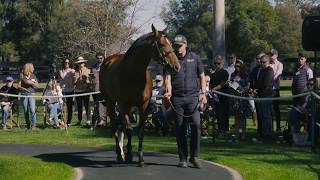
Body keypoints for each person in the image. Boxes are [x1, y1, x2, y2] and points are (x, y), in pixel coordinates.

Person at [164, 34, 207, 168]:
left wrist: (203, 93)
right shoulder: (171, 59)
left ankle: (194, 157)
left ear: (186, 44)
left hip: (193, 97)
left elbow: (202, 76)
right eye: (175, 46)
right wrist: (168, 91)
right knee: (180, 128)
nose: (178, 48)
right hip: (177, 98)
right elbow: (167, 77)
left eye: (180, 46)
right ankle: (183, 158)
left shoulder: (195, 58)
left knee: (195, 126)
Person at [253, 54, 274, 139]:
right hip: (260, 95)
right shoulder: (261, 70)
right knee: (262, 115)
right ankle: (263, 133)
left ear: (268, 62)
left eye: (263, 62)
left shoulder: (269, 70)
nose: (261, 64)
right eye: (260, 62)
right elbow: (257, 82)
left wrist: (257, 90)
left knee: (266, 115)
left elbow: (266, 84)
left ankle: (268, 134)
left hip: (266, 95)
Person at [229, 60, 250, 139]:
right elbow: (231, 83)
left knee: (243, 116)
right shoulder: (233, 74)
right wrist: (230, 84)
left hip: (243, 97)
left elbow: (247, 85)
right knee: (236, 116)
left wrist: (241, 90)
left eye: (238, 66)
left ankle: (243, 133)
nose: (237, 68)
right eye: (236, 66)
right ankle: (237, 133)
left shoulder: (245, 75)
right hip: (235, 98)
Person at [210, 55, 230, 137]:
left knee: (223, 114)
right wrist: (211, 90)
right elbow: (211, 84)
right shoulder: (213, 74)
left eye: (218, 63)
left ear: (222, 63)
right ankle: (220, 130)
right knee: (218, 114)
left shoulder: (224, 72)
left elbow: (222, 84)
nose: (216, 65)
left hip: (223, 97)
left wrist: (213, 89)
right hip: (215, 97)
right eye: (215, 63)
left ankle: (224, 130)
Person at [18, 63, 38, 129]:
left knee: (32, 110)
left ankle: (34, 124)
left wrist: (31, 82)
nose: (33, 69)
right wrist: (24, 89)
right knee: (25, 110)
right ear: (29, 68)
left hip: (32, 94)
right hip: (24, 94)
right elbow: (18, 86)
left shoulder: (33, 76)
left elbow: (37, 85)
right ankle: (28, 124)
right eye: (32, 67)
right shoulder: (22, 76)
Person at [73, 56, 92, 126]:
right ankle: (79, 120)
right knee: (79, 106)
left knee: (87, 106)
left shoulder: (88, 70)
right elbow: (74, 82)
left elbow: (90, 81)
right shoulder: (75, 72)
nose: (80, 64)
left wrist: (87, 82)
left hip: (86, 91)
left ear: (84, 63)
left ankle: (88, 120)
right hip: (78, 91)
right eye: (79, 63)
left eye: (82, 63)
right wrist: (77, 80)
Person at [268, 49, 283, 132]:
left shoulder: (279, 64)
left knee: (276, 109)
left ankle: (278, 127)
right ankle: (270, 127)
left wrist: (269, 79)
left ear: (276, 55)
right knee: (269, 109)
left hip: (275, 90)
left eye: (272, 54)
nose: (271, 56)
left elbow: (277, 75)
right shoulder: (268, 64)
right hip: (268, 90)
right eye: (270, 54)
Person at [91, 52, 107, 128]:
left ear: (103, 58)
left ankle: (103, 121)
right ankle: (97, 122)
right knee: (96, 106)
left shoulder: (106, 66)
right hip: (95, 90)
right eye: (98, 58)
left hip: (104, 89)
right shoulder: (93, 68)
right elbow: (91, 78)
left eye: (101, 58)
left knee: (104, 105)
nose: (99, 59)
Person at [59, 59, 75, 127]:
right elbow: (61, 79)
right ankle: (61, 121)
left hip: (70, 90)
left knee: (69, 106)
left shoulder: (72, 71)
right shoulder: (60, 71)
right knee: (62, 106)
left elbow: (74, 80)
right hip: (62, 90)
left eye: (68, 63)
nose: (67, 64)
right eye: (65, 62)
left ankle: (69, 122)